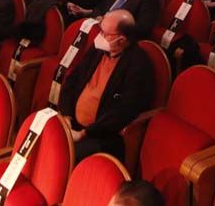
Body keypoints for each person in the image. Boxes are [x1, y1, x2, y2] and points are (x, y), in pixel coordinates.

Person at [58, 9, 154, 162]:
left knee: (63, 156)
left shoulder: (138, 64)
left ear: (121, 40)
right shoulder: (98, 50)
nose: (99, 37)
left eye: (105, 33)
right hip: (73, 123)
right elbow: (72, 79)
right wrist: (66, 116)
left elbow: (123, 111)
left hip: (101, 135)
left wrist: (84, 134)